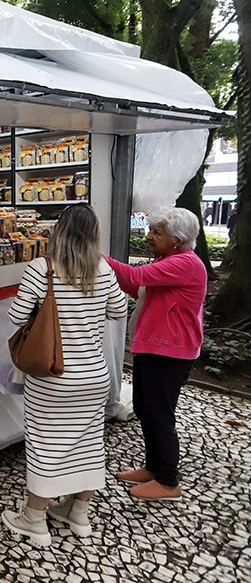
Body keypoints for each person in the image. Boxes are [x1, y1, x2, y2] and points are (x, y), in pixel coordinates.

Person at [2, 205, 128, 546]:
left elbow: (15, 317)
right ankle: (78, 514)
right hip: (94, 377)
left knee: (46, 446)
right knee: (88, 445)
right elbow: (119, 310)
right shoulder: (102, 268)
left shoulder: (41, 269)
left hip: (52, 377)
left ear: (59, 231)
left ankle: (35, 519)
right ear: (93, 235)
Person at [103, 207, 206, 502]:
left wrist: (98, 258)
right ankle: (153, 468)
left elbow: (136, 274)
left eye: (156, 233)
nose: (148, 236)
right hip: (154, 346)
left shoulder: (186, 263)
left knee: (160, 414)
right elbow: (137, 286)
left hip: (170, 351)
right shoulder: (169, 259)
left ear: (177, 239)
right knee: (146, 408)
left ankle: (168, 482)